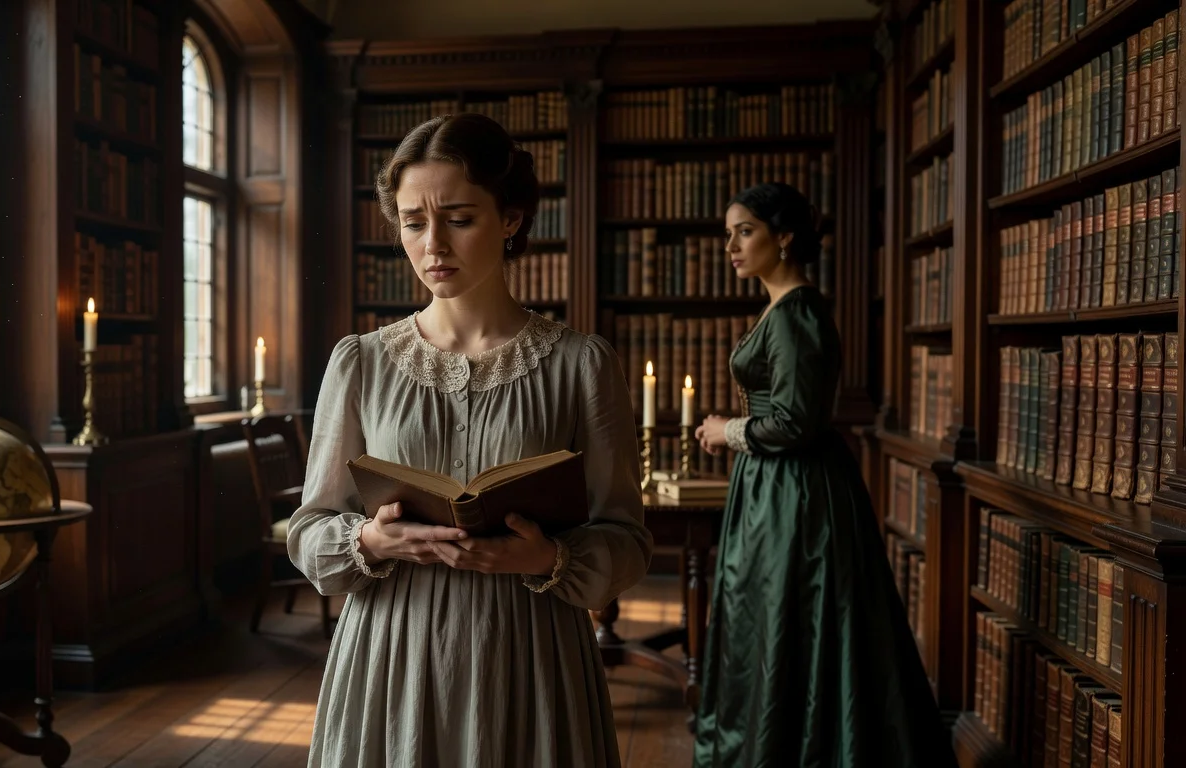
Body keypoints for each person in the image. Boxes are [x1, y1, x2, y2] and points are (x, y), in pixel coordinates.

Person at [287, 112, 653, 768]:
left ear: (510, 218)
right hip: (390, 656)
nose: (433, 246)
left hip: (533, 656)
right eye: (413, 222)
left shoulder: (582, 364)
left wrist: (548, 560)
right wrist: (367, 540)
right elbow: (310, 528)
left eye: (459, 219)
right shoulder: (361, 363)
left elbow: (627, 540)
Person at [691, 182, 956, 768]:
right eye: (728, 234)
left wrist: (725, 431)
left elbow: (794, 422)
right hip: (775, 487)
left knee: (789, 617)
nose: (731, 246)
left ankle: (797, 747)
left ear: (783, 237)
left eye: (745, 231)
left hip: (795, 492)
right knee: (770, 618)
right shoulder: (784, 309)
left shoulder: (798, 314)